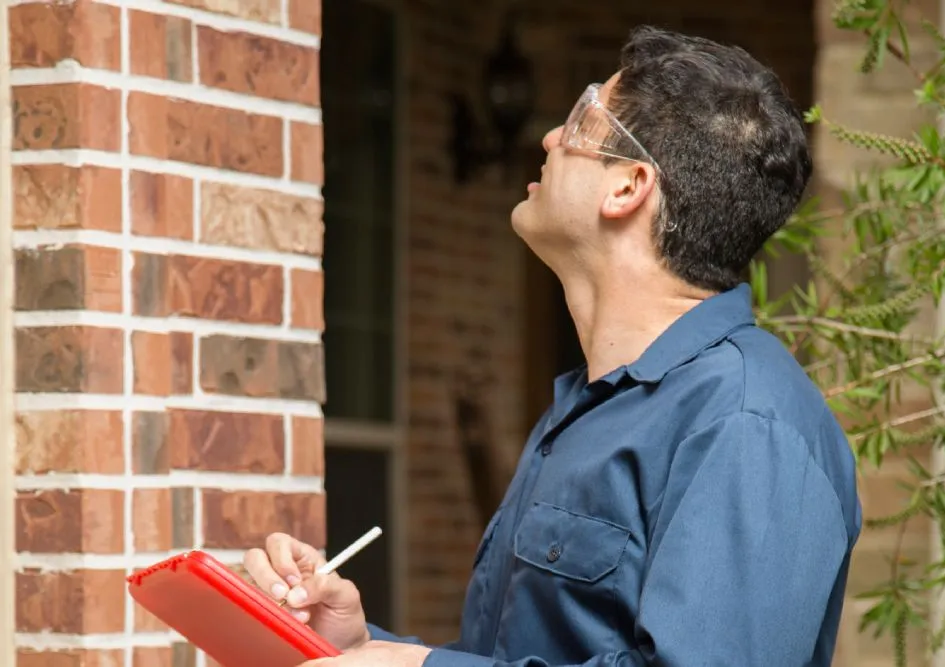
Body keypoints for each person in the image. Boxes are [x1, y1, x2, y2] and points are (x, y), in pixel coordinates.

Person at [244, 26, 862, 667]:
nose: (548, 140)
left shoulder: (746, 424)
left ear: (628, 187)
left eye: (581, 119)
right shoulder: (589, 408)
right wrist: (362, 647)